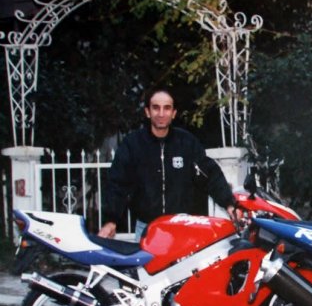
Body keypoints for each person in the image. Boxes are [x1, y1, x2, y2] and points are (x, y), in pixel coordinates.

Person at [98, 86, 236, 240]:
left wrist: (229, 203)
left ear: (174, 113)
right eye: (156, 108)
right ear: (147, 112)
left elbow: (210, 174)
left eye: (167, 108)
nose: (161, 114)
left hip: (182, 229)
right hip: (146, 230)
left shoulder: (187, 143)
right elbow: (117, 183)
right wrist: (110, 220)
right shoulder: (133, 144)